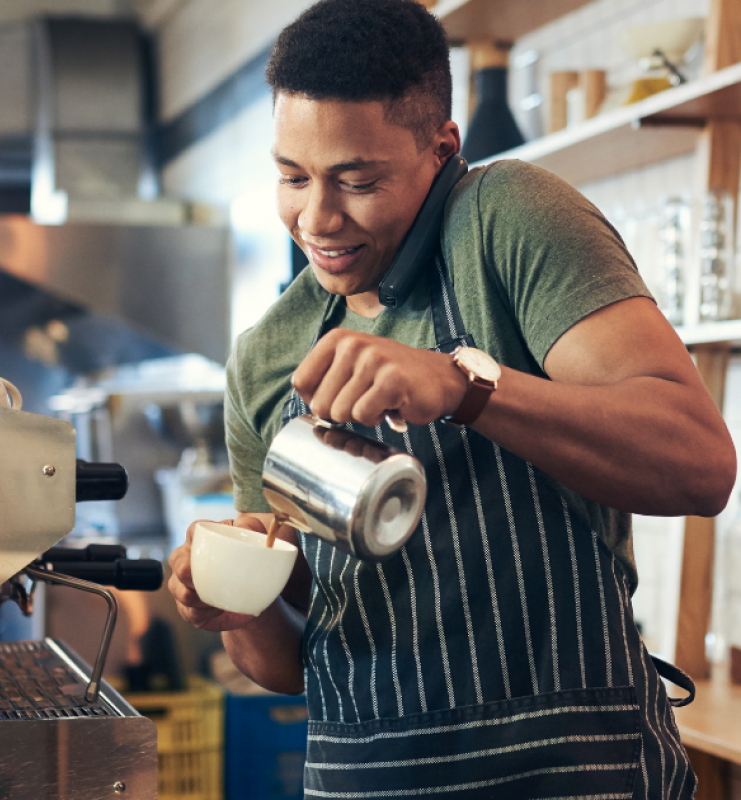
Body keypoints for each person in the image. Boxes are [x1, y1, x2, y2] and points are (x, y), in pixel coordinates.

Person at [165, 1, 737, 797]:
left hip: (570, 775)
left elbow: (700, 463)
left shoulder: (507, 220)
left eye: (357, 180)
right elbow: (285, 665)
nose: (318, 218)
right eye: (293, 177)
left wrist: (468, 387)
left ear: (442, 150)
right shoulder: (266, 358)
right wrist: (232, 603)